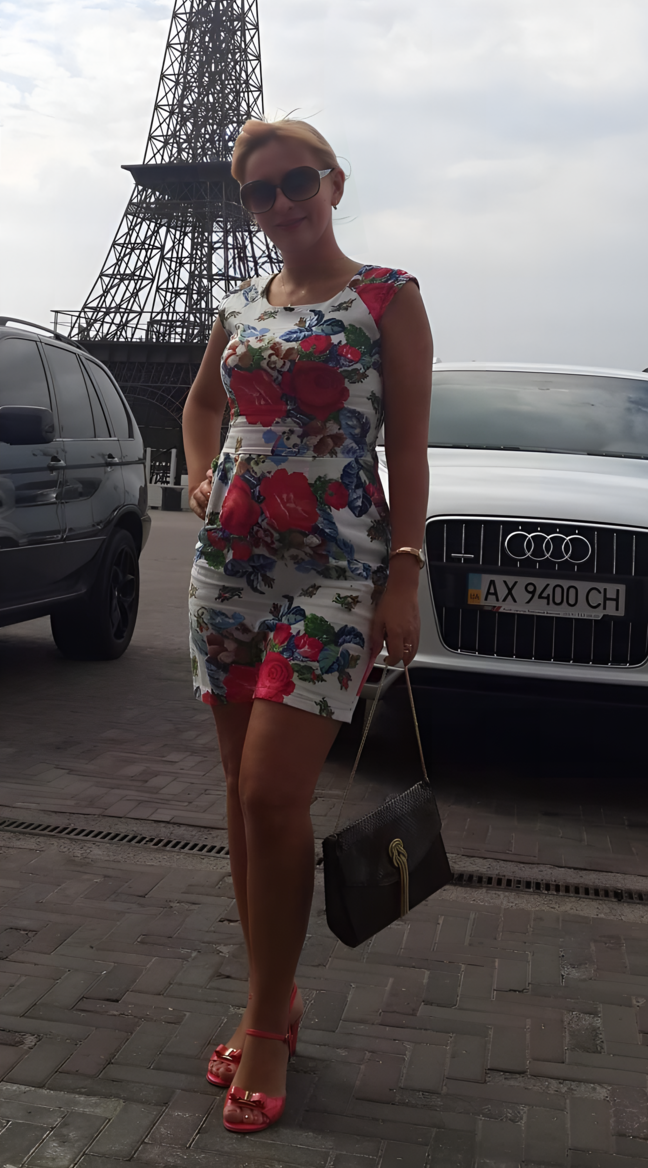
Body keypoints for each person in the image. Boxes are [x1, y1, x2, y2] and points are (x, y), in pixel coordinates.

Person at [182, 118, 432, 1134]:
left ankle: (266, 1027)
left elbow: (409, 448)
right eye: (260, 191)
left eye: (297, 182)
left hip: (334, 575)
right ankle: (270, 994)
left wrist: (403, 575)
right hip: (228, 572)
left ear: (333, 183)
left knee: (271, 794)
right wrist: (200, 472)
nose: (281, 203)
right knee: (242, 804)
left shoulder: (387, 298)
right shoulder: (239, 305)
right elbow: (203, 406)